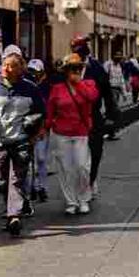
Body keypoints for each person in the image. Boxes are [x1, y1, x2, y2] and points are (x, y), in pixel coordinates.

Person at [0, 45, 46, 236]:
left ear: (19, 69)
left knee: (17, 179)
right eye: (4, 65)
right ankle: (12, 209)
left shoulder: (30, 88)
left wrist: (37, 131)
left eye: (10, 66)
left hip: (21, 140)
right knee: (2, 179)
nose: (5, 69)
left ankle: (14, 215)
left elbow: (41, 111)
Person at [45, 53, 100, 214]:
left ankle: (84, 198)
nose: (76, 71)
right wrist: (45, 128)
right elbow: (50, 111)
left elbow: (93, 97)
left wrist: (79, 84)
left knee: (82, 167)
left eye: (79, 68)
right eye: (73, 69)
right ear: (66, 71)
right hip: (61, 133)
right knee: (66, 169)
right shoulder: (57, 89)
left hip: (81, 132)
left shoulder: (89, 84)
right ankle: (71, 201)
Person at [70, 35, 120, 195]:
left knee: (95, 151)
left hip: (93, 115)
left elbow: (107, 93)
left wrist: (111, 115)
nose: (77, 53)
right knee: (76, 156)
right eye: (74, 50)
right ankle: (80, 183)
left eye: (80, 50)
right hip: (74, 117)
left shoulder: (97, 68)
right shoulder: (68, 67)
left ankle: (91, 181)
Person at [26, 59, 53, 203]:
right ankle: (33, 188)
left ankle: (42, 187)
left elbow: (49, 108)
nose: (32, 75)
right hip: (27, 128)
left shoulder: (46, 87)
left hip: (42, 127)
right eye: (30, 71)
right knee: (29, 159)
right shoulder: (26, 86)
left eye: (35, 72)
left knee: (41, 158)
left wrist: (44, 127)